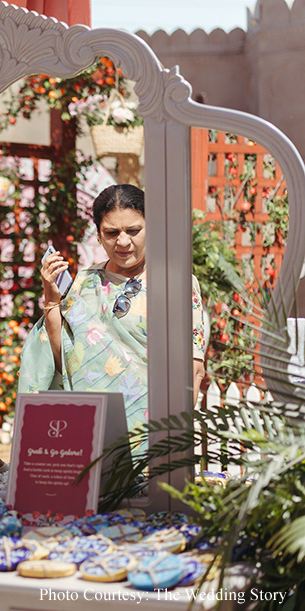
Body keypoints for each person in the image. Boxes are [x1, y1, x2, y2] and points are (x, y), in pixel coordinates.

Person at [18, 184, 206, 445]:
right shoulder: (83, 284)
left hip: (154, 434)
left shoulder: (175, 284)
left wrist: (169, 444)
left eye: (133, 230)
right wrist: (52, 299)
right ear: (98, 235)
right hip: (92, 431)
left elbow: (193, 369)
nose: (123, 241)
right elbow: (65, 363)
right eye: (111, 232)